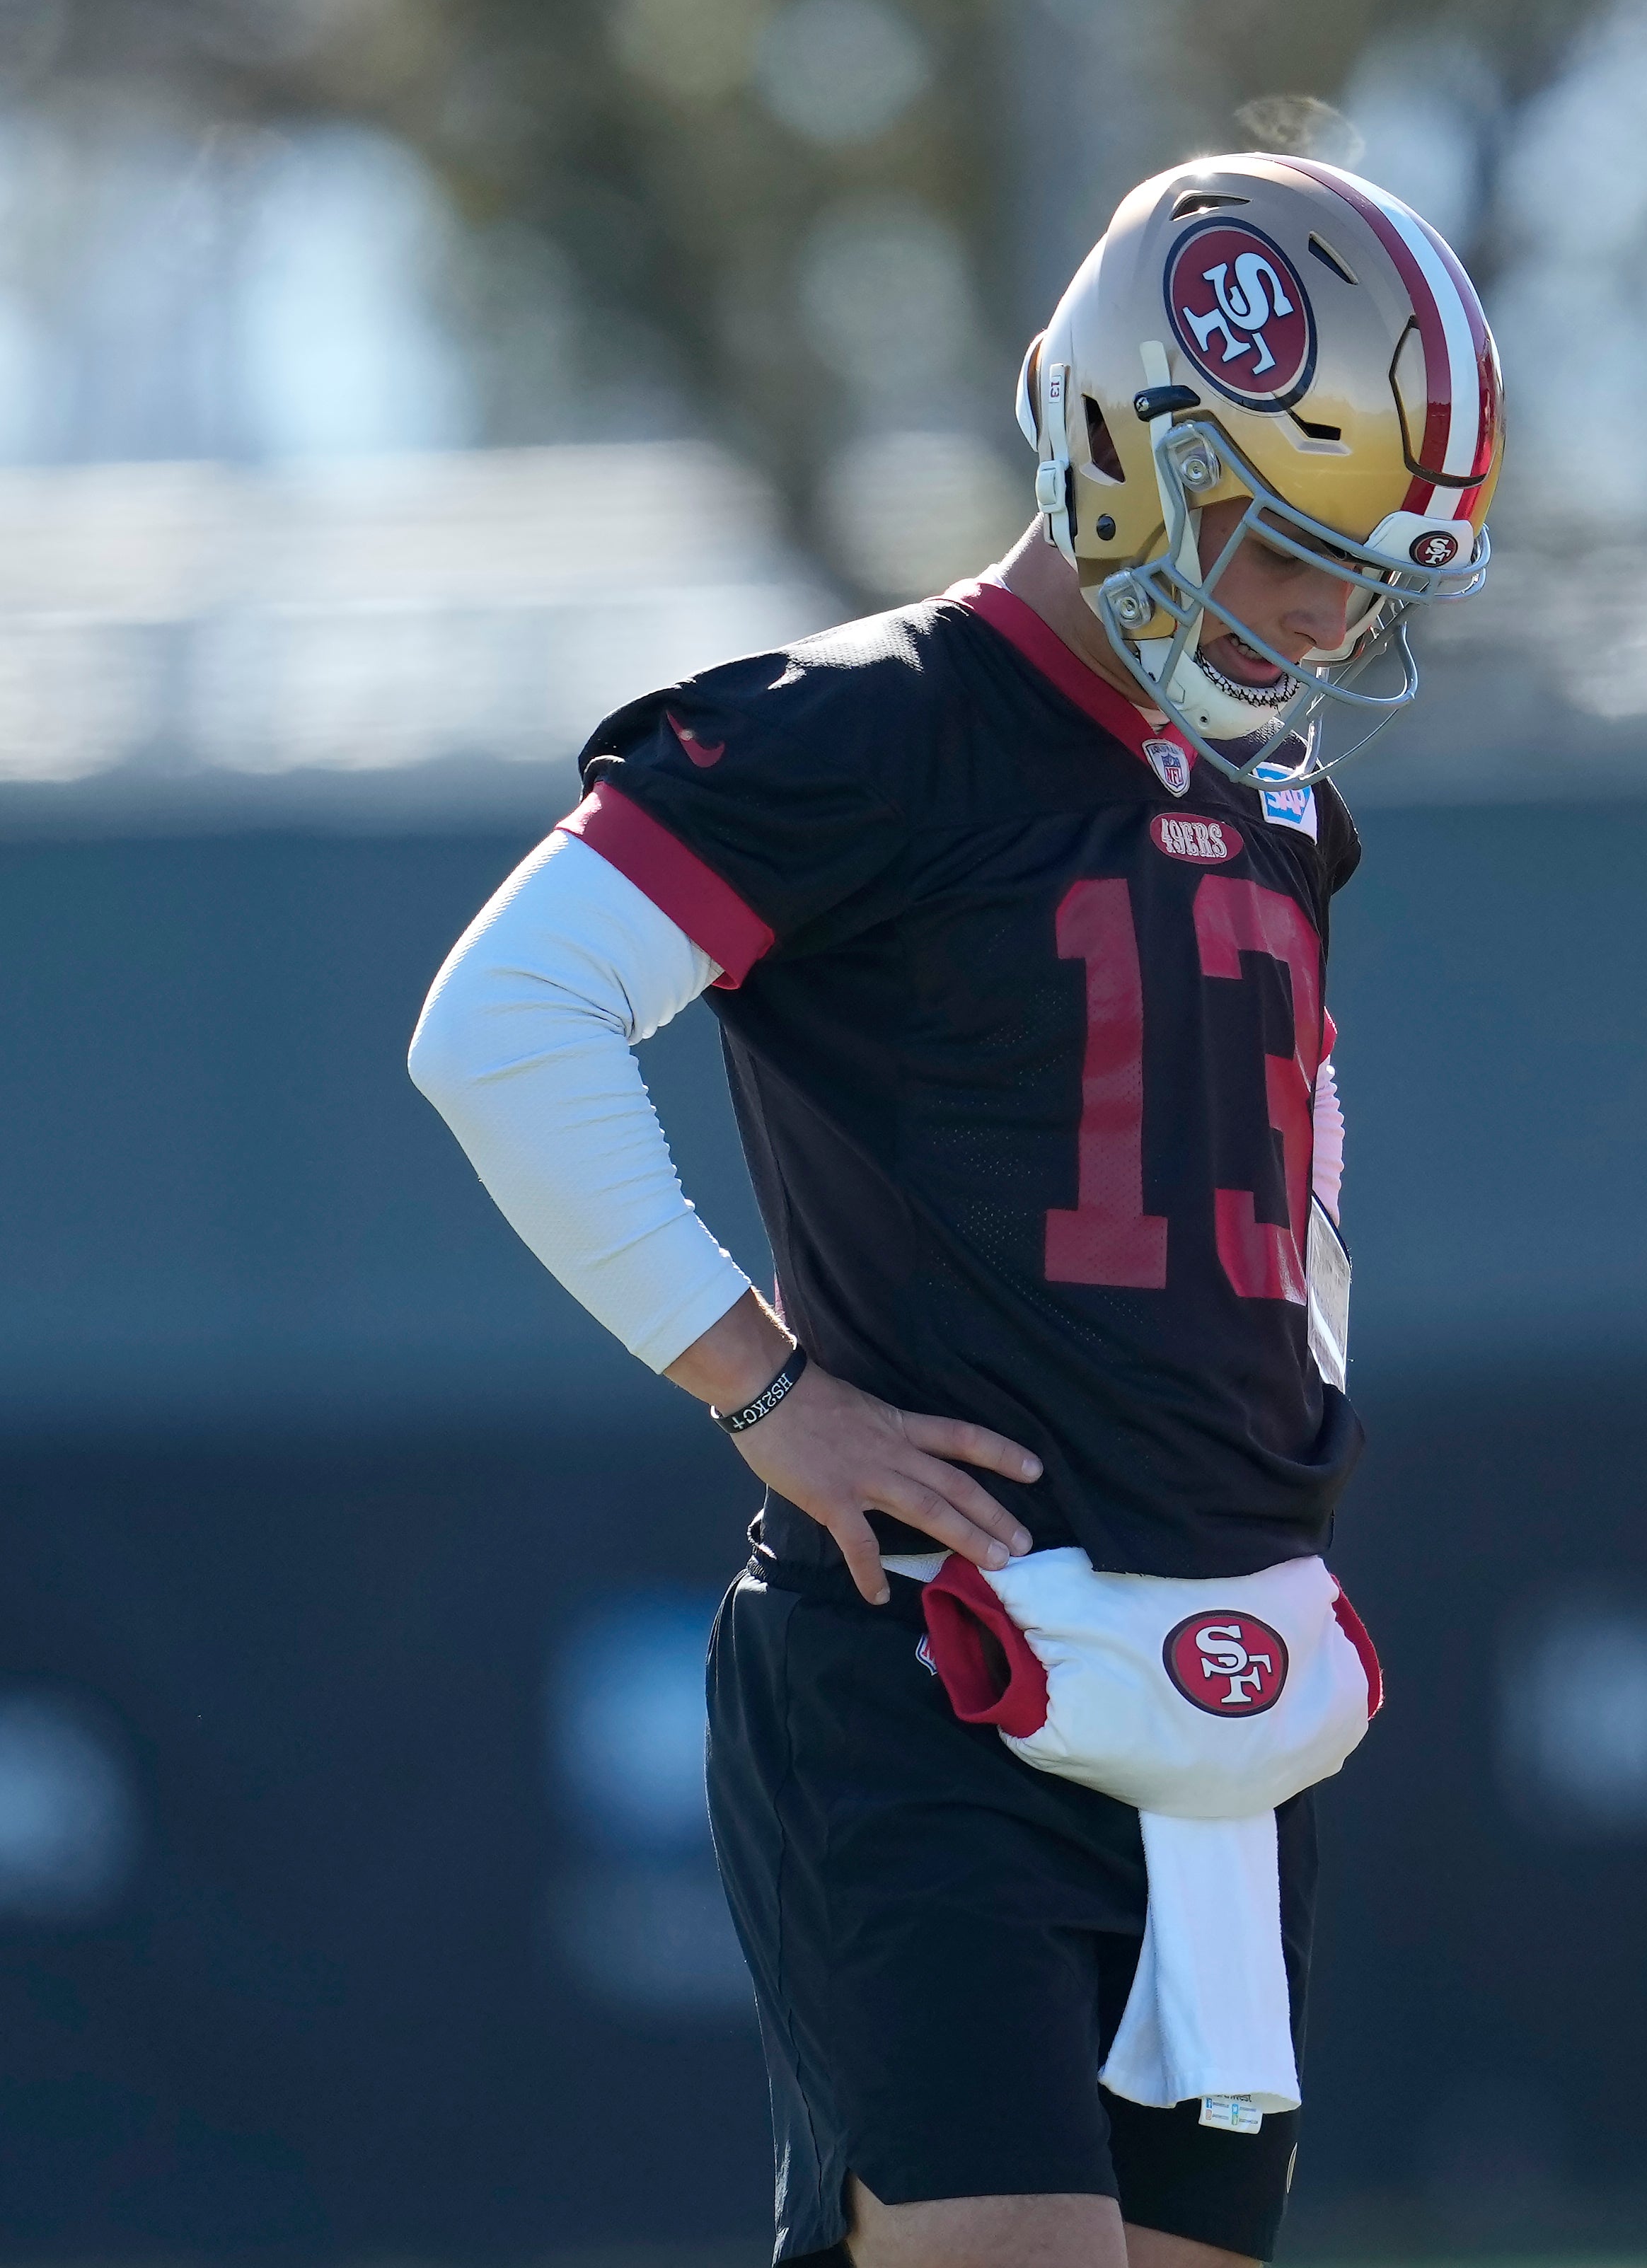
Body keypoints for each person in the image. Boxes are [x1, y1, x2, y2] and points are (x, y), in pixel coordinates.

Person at [408, 154, 1500, 2268]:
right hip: (944, 1662)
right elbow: (504, 1025)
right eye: (1287, 550)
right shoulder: (866, 728)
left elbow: (1300, 1197)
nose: (1326, 617)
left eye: (1367, 573)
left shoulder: (1275, 796)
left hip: (1217, 1670)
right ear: (1126, 447)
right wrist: (760, 1388)